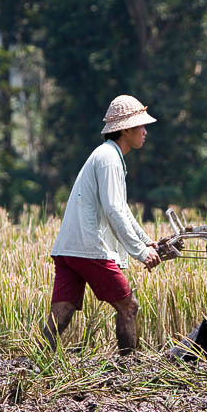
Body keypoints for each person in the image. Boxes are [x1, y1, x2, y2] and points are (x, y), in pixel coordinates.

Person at [43, 94, 161, 355]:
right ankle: (128, 369)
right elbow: (114, 210)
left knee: (62, 310)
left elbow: (121, 209)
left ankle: (38, 361)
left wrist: (145, 240)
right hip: (90, 247)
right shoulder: (109, 159)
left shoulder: (108, 155)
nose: (144, 131)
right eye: (140, 126)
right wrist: (141, 253)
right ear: (126, 129)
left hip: (69, 248)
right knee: (128, 306)